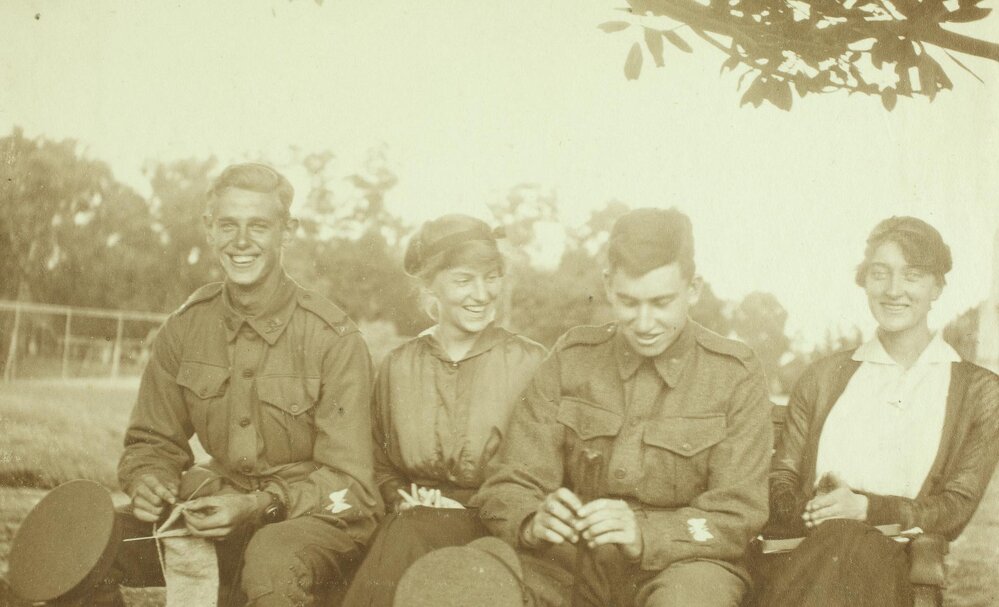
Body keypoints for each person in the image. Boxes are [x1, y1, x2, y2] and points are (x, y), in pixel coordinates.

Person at [87, 163, 381, 606]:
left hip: (317, 519)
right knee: (83, 544)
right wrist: (150, 478)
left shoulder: (332, 338)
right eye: (228, 225)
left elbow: (351, 484)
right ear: (210, 228)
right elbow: (152, 440)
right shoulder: (186, 327)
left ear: (287, 231)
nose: (241, 241)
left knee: (270, 560)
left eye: (258, 226)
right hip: (219, 509)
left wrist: (259, 505)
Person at [469, 207, 773, 607]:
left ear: (693, 289)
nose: (644, 323)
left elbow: (737, 513)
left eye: (661, 302)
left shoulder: (734, 374)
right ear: (609, 286)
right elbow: (512, 481)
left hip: (688, 566)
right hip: (571, 562)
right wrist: (531, 520)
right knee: (475, 580)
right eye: (629, 302)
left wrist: (645, 534)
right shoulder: (572, 358)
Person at [753, 216, 999, 607]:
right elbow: (781, 475)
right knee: (840, 540)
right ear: (864, 281)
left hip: (893, 569)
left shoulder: (978, 391)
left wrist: (866, 509)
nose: (893, 290)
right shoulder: (823, 377)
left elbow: (955, 509)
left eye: (913, 275)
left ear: (937, 287)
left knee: (852, 542)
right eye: (880, 273)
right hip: (803, 554)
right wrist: (818, 511)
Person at [341, 214, 547, 606]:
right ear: (430, 285)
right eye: (464, 280)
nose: (482, 294)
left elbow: (545, 472)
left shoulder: (530, 362)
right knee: (407, 531)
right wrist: (403, 498)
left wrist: (462, 506)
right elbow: (379, 464)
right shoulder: (398, 366)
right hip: (410, 521)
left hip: (496, 532)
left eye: (492, 277)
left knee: (409, 535)